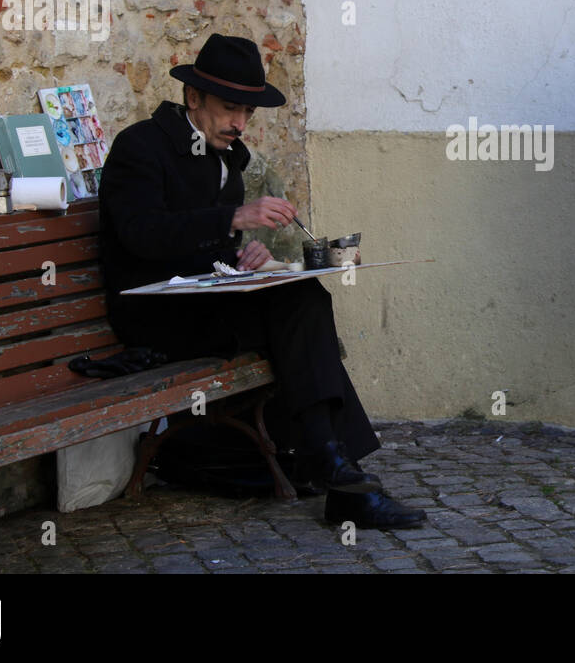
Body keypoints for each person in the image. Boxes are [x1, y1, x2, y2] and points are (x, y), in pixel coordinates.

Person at [98, 33, 425, 530]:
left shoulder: (223, 155)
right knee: (296, 309)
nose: (240, 123)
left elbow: (207, 239)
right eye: (231, 109)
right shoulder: (140, 146)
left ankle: (339, 471)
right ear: (193, 98)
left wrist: (243, 255)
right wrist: (233, 219)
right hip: (155, 316)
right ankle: (340, 473)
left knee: (301, 290)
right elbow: (142, 234)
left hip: (205, 302)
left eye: (248, 113)